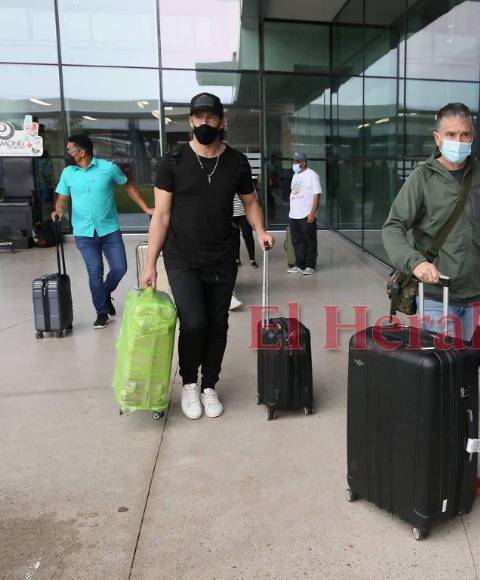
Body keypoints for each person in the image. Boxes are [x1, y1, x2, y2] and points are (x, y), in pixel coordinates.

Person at [140, 92, 274, 420]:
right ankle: (188, 382)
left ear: (221, 121)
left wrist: (260, 231)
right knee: (194, 322)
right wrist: (150, 264)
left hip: (222, 255)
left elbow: (251, 202)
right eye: (198, 117)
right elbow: (161, 216)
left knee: (218, 324)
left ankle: (209, 385)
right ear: (190, 121)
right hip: (182, 256)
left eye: (210, 117)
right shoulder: (172, 161)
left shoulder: (237, 162)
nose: (204, 123)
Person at [382, 102, 480, 342]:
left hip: (474, 292)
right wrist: (416, 263)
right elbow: (393, 227)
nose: (459, 140)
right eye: (451, 134)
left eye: (465, 134)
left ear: (472, 136)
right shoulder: (422, 177)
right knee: (440, 366)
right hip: (435, 293)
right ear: (438, 138)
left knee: (461, 364)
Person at [51, 134, 153, 329]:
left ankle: (104, 294)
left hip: (109, 230)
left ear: (83, 151)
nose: (68, 154)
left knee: (120, 268)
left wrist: (146, 208)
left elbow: (129, 186)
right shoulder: (68, 173)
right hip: (83, 232)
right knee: (95, 272)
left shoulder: (108, 168)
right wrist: (59, 210)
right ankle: (101, 312)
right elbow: (63, 198)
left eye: (71, 150)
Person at [287, 151, 321, 275]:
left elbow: (317, 195)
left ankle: (310, 265)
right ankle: (300, 265)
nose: (293, 164)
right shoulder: (295, 175)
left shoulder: (312, 175)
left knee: (309, 241)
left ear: (303, 163)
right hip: (294, 215)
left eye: (295, 162)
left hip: (306, 214)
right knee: (297, 241)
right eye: (293, 161)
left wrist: (312, 213)